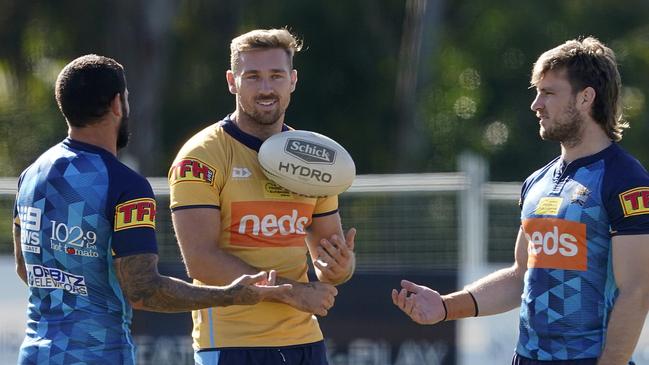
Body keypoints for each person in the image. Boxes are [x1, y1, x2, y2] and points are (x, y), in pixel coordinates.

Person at [12, 54, 292, 365]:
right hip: (97, 355)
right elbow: (144, 291)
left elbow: (26, 268)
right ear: (118, 104)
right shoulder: (125, 185)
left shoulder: (31, 176)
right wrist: (231, 295)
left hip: (34, 353)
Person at [392, 37, 649, 365]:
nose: (536, 104)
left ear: (586, 98)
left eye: (549, 93)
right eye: (537, 92)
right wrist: (444, 306)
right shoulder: (536, 182)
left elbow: (637, 291)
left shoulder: (625, 179)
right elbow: (519, 276)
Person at [168, 28, 356, 365]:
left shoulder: (316, 157)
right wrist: (291, 292)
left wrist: (340, 266)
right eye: (253, 76)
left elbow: (329, 264)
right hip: (229, 344)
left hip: (305, 342)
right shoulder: (201, 156)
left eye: (276, 76)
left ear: (293, 80)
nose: (266, 88)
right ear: (232, 80)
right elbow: (201, 261)